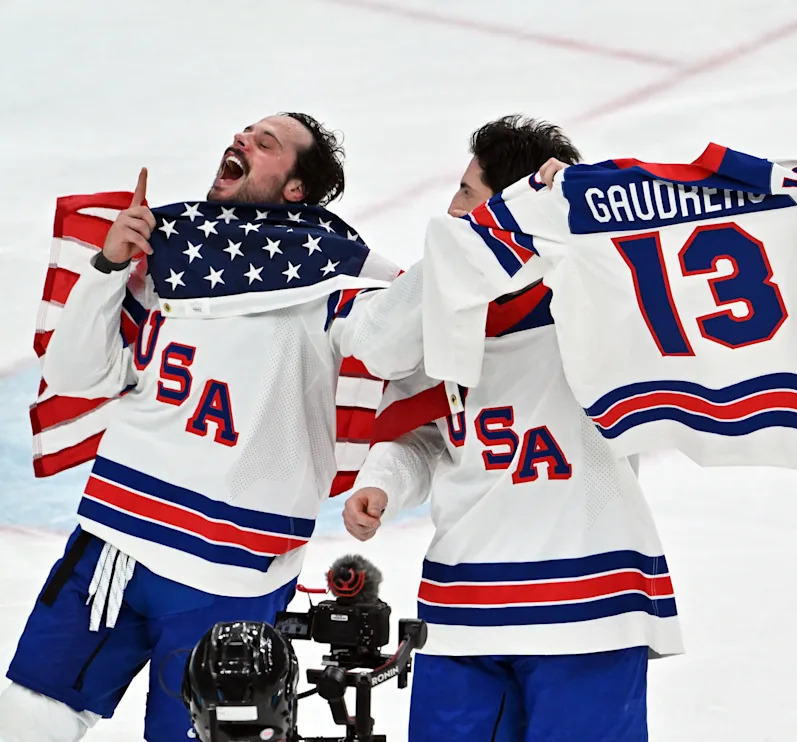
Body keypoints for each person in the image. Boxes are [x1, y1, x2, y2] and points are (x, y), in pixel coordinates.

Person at [0, 113, 412, 742]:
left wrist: (452, 266)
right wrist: (109, 266)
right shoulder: (172, 249)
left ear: (296, 190)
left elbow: (391, 346)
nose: (243, 140)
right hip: (117, 540)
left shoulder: (334, 279)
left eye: (266, 143)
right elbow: (77, 372)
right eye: (245, 132)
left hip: (229, 575)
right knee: (29, 715)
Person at [342, 115, 685, 742]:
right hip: (464, 603)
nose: (452, 207)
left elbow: (693, 247)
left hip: (588, 601)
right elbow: (387, 363)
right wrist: (384, 478)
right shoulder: (442, 313)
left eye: (469, 194)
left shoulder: (594, 295)